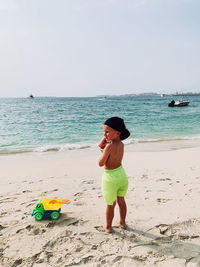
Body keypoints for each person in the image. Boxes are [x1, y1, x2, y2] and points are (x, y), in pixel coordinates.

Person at [98, 117, 130, 233]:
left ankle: (108, 227)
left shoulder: (109, 146)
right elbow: (104, 148)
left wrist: (104, 152)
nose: (104, 134)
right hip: (121, 175)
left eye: (107, 131)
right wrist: (107, 137)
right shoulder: (121, 144)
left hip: (110, 178)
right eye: (104, 131)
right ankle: (122, 222)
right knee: (121, 201)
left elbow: (101, 163)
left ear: (117, 133)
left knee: (110, 204)